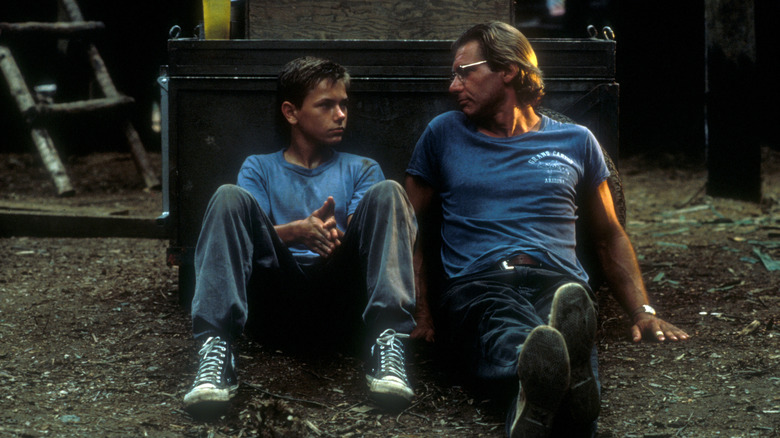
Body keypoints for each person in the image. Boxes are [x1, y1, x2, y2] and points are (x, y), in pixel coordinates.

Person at [404, 22, 690, 437]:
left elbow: (609, 235)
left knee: (564, 314)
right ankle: (558, 373)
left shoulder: (577, 141)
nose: (454, 85)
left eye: (465, 72)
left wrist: (642, 311)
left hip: (557, 280)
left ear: (507, 69)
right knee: (503, 322)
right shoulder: (443, 134)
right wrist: (421, 309)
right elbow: (408, 226)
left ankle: (543, 380)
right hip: (477, 282)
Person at [183, 56, 418, 415]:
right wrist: (298, 233)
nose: (340, 114)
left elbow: (368, 236)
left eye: (343, 104)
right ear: (291, 113)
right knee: (228, 196)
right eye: (326, 105)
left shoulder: (361, 168)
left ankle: (388, 342)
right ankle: (217, 348)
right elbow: (250, 237)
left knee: (388, 191)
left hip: (343, 305)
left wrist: (331, 236)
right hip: (277, 303)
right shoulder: (259, 167)